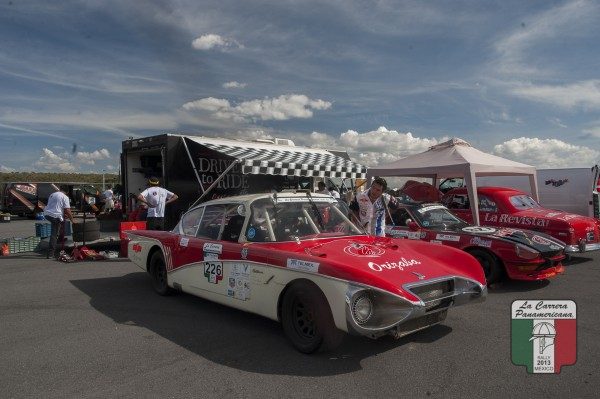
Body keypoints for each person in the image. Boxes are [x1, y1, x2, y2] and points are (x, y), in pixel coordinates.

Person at [43, 187, 75, 259]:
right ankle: (51, 253)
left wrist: (64, 214)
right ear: (66, 192)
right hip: (55, 216)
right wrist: (72, 220)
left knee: (60, 223)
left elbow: (56, 206)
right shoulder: (65, 197)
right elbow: (67, 209)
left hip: (47, 214)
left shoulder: (53, 194)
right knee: (54, 234)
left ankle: (60, 239)